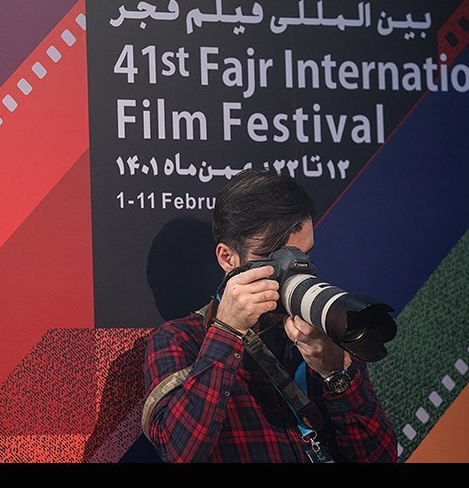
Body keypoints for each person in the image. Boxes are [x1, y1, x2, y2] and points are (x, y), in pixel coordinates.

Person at [142, 168, 398, 463]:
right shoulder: (181, 340)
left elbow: (380, 458)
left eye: (303, 256)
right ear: (228, 258)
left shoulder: (322, 325)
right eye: (273, 257)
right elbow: (180, 452)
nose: (292, 269)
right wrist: (226, 332)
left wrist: (335, 373)